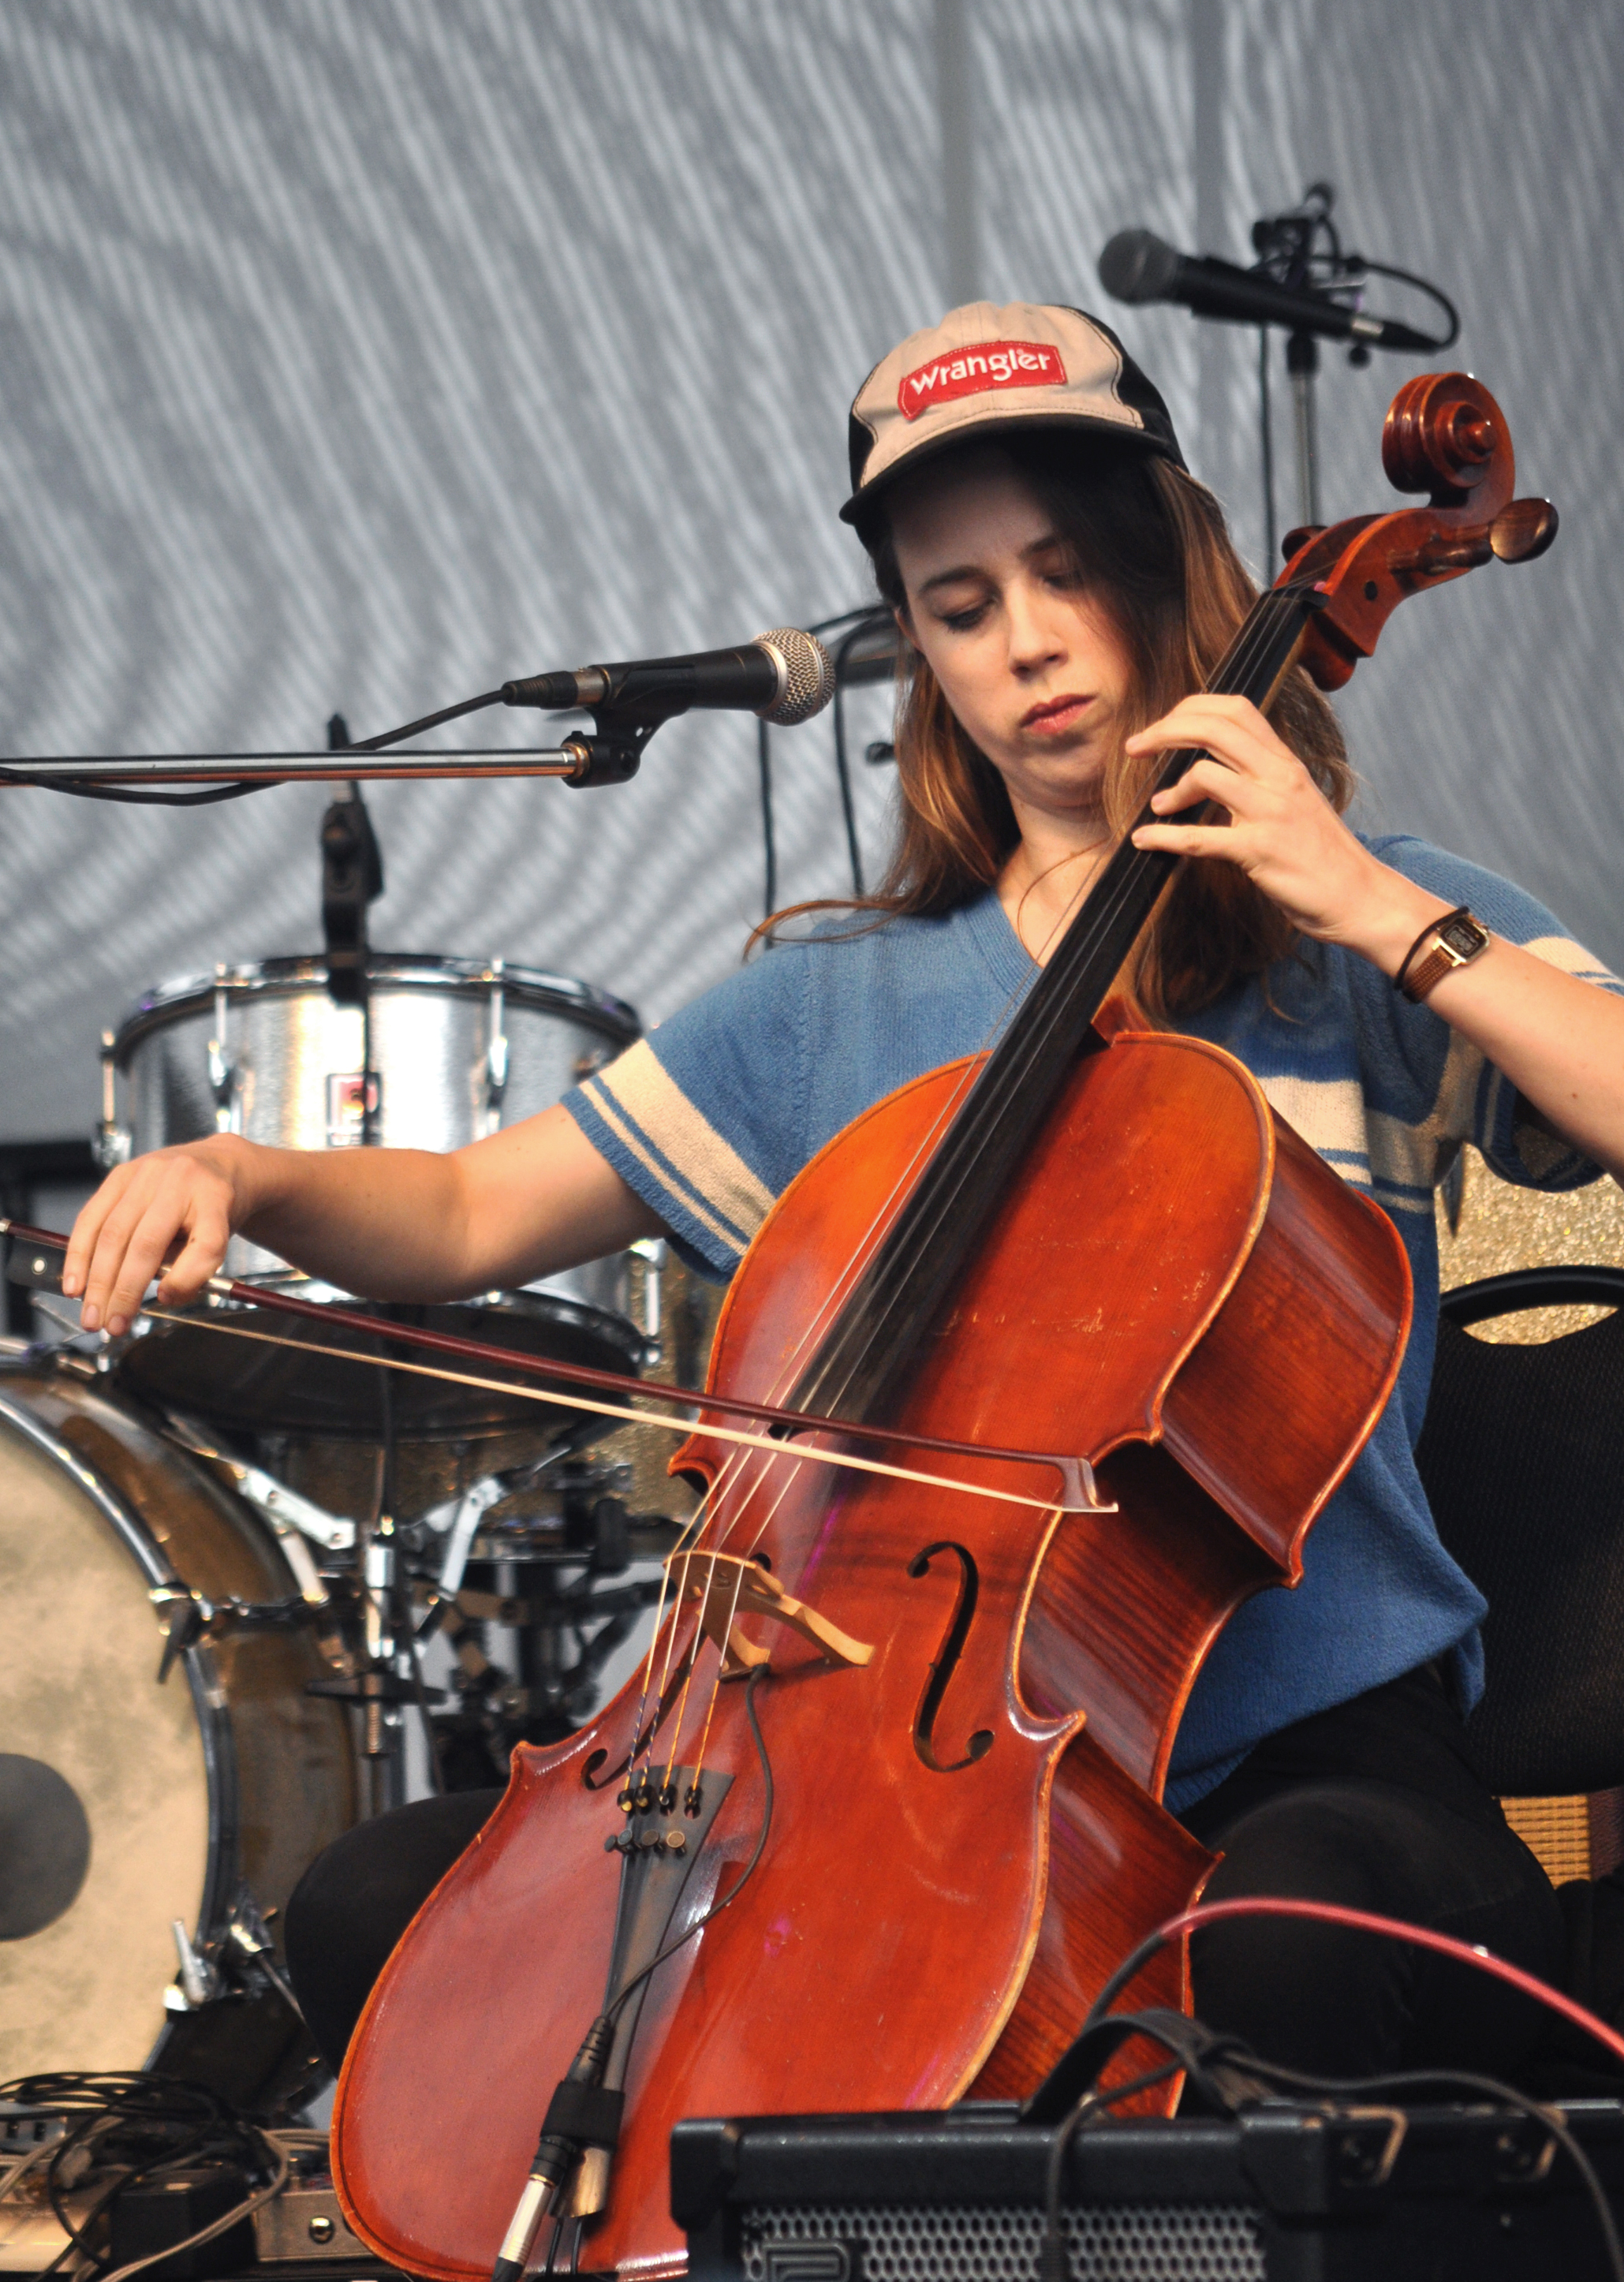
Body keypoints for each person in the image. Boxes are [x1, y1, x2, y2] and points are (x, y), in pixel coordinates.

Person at [66, 302, 1624, 2087]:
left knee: (1283, 1948)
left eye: (1065, 573)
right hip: (890, 1766)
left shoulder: (1360, 925)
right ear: (919, 656)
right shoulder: (831, 1005)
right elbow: (468, 1214)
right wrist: (239, 1169)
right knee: (377, 1915)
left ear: (1164, 571)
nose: (1026, 642)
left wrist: (1381, 911)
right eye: (960, 607)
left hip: (1309, 1755)